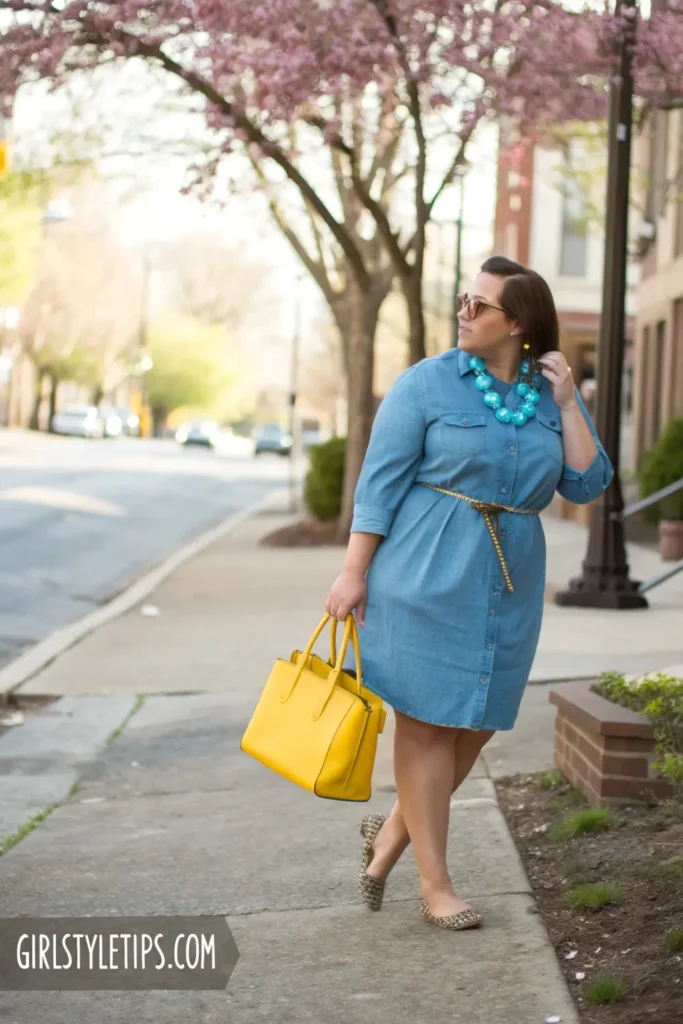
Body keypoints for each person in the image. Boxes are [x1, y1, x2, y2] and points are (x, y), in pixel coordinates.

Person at [324, 256, 613, 931]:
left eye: (478, 305)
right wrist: (351, 570)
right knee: (425, 726)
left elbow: (586, 484)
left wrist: (570, 403)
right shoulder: (426, 384)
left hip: (506, 583)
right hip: (422, 574)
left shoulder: (547, 399)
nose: (463, 311)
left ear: (516, 324)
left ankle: (390, 837)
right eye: (463, 299)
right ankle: (436, 886)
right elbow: (379, 483)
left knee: (476, 721)